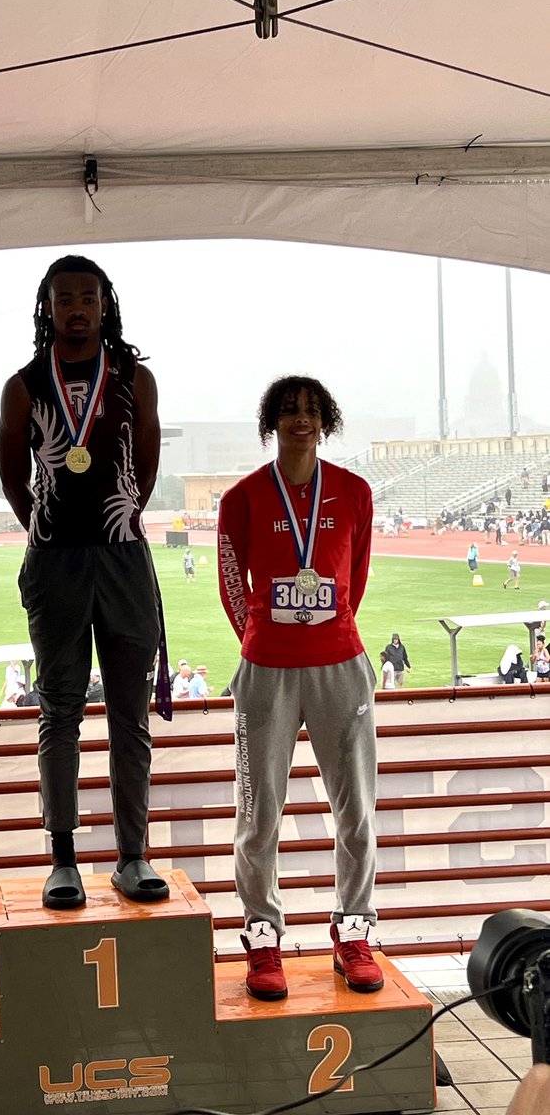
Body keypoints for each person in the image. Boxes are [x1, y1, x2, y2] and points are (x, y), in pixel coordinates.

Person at [0, 254, 169, 910]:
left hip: (124, 556)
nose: (76, 308)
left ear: (104, 306)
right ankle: (62, 860)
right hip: (55, 563)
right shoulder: (23, 386)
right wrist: (48, 530)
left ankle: (134, 856)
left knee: (130, 718)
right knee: (60, 713)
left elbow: (146, 467)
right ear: (47, 307)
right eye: (64, 298)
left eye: (87, 298)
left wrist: (118, 518)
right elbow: (13, 477)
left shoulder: (133, 378)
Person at [218, 375, 381, 1003]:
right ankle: (263, 936)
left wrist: (326, 627)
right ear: (272, 421)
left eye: (311, 411)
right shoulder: (244, 498)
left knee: (356, 810)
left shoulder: (354, 492)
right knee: (258, 814)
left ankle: (353, 930)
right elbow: (234, 583)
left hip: (340, 665)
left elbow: (355, 574)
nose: (301, 420)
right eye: (288, 411)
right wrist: (264, 636)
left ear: (326, 421)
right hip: (267, 673)